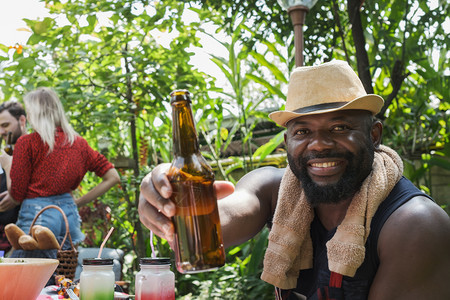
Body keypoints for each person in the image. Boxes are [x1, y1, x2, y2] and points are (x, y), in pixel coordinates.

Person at [138, 60, 450, 299]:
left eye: (339, 127)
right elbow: (227, 217)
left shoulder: (415, 225)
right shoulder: (274, 189)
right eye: (302, 132)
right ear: (287, 142)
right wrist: (174, 201)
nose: (319, 144)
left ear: (374, 135)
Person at [8, 87, 120, 253]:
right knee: (65, 272)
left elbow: (16, 194)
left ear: (34, 113)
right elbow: (113, 177)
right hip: (69, 214)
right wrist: (76, 203)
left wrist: (5, 163)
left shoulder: (27, 143)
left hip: (38, 214)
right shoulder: (79, 144)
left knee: (28, 271)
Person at [0, 101, 27, 254]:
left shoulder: (36, 150)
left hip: (24, 235)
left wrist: (15, 196)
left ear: (21, 121)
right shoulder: (6, 154)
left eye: (5, 125)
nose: (2, 132)